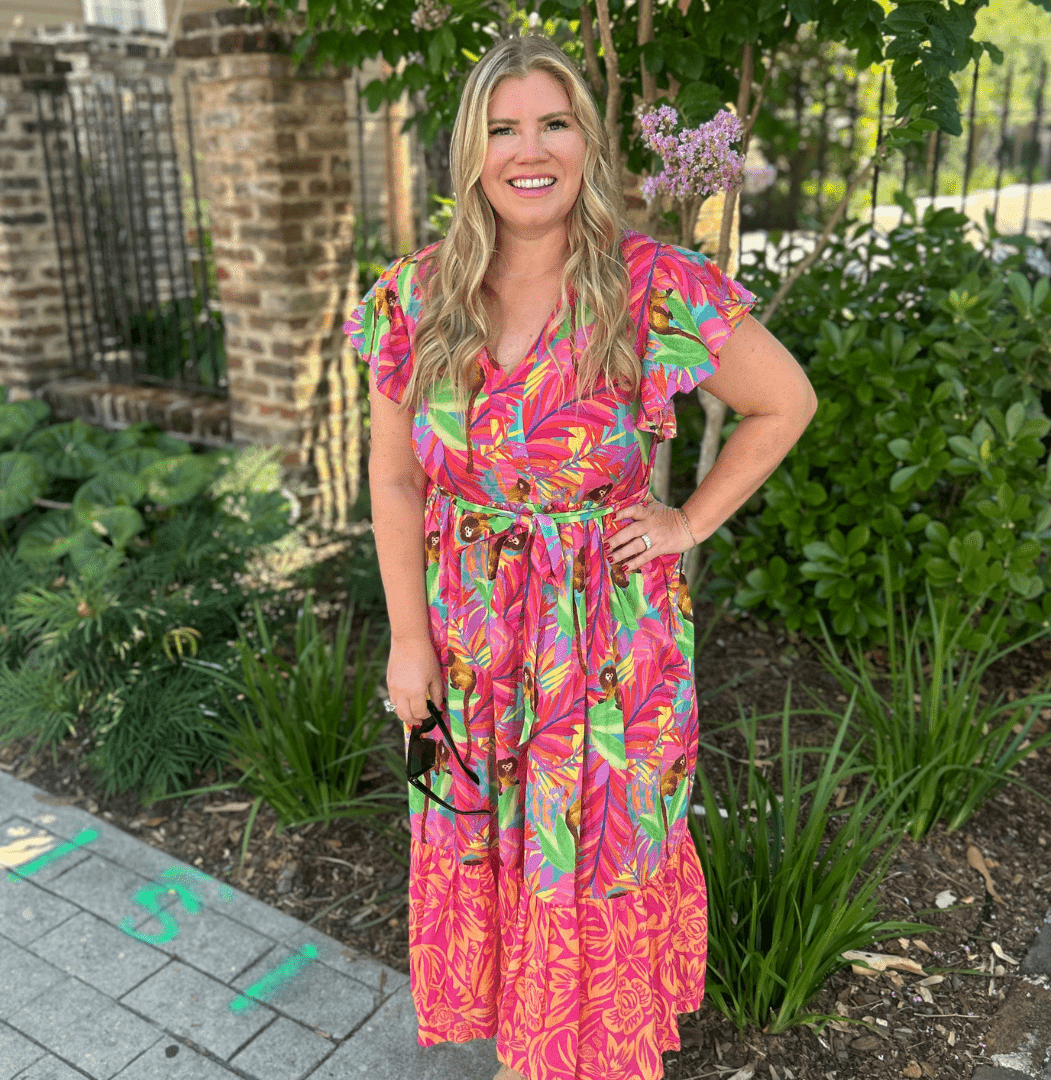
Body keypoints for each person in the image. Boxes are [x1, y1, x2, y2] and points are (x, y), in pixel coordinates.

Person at [346, 30, 817, 1080]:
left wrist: (688, 522)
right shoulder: (415, 300)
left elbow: (785, 402)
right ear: (472, 151)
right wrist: (407, 642)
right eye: (504, 127)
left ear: (586, 143)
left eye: (552, 122)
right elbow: (393, 480)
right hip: (470, 648)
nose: (530, 148)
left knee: (592, 860)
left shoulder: (654, 285)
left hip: (607, 652)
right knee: (497, 860)